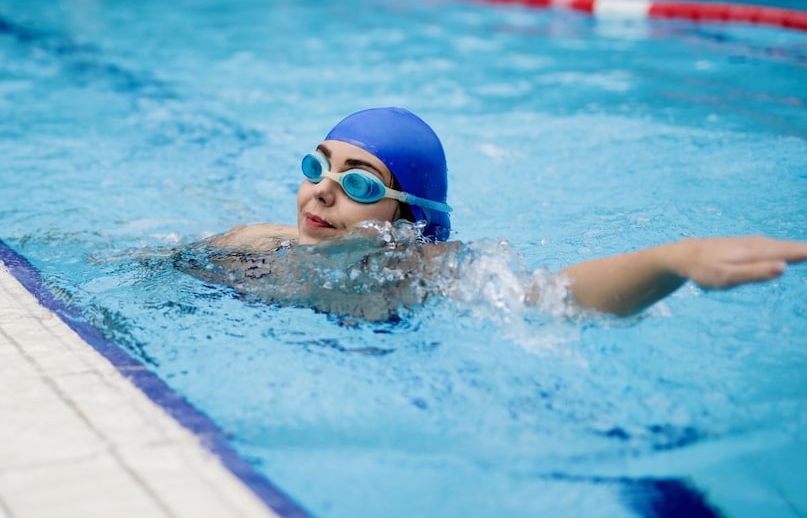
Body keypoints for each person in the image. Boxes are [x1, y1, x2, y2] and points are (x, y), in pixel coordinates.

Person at [207, 107, 807, 318]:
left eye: (360, 183)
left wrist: (674, 260)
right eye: (317, 167)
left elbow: (555, 298)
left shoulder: (422, 273)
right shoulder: (254, 244)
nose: (322, 192)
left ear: (406, 220)